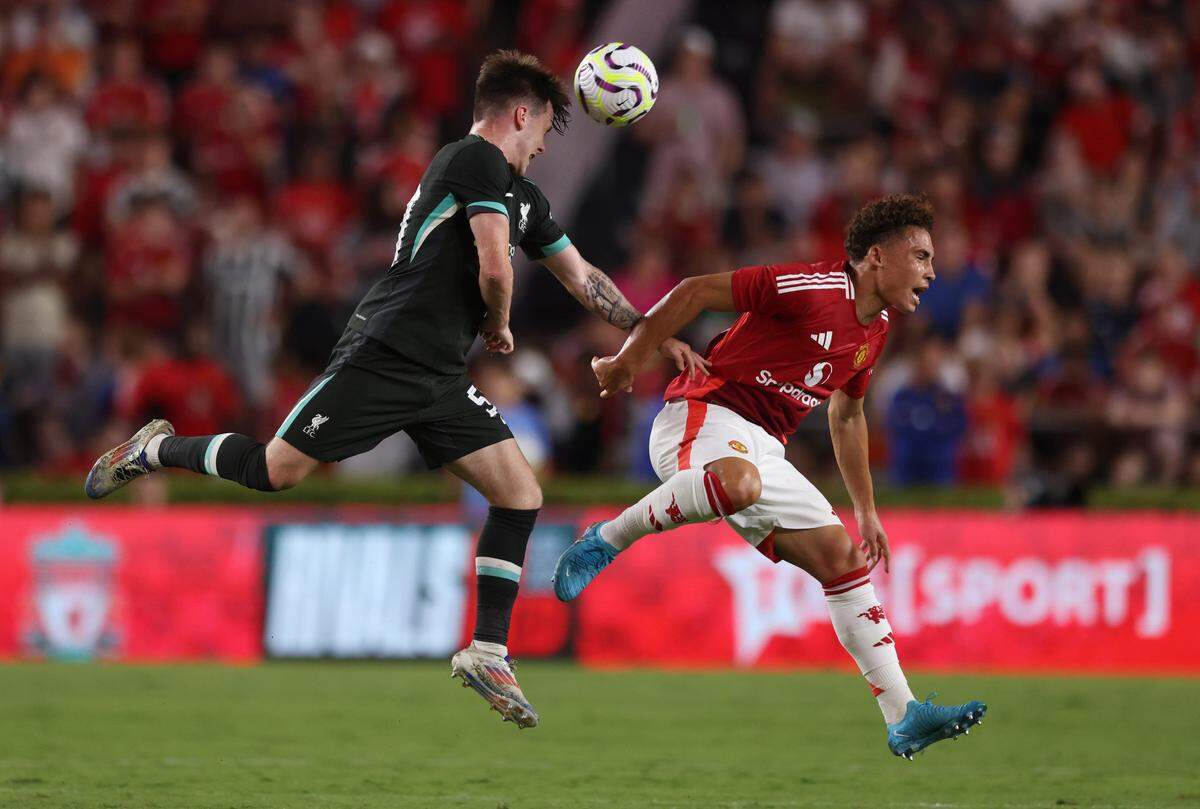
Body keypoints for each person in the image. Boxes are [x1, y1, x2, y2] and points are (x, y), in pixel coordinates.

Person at [84, 50, 705, 730]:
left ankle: (488, 650)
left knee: (520, 492)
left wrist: (650, 335)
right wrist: (497, 325)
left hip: (437, 373)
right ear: (520, 114)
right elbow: (495, 267)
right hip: (386, 351)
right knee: (275, 469)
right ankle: (158, 446)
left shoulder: (523, 195)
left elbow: (583, 277)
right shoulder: (473, 161)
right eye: (545, 129)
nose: (542, 145)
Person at [553, 194, 986, 759]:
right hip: (702, 415)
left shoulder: (874, 328)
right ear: (877, 257)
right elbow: (694, 291)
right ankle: (607, 538)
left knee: (844, 559)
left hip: (764, 450)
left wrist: (867, 511)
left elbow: (848, 413)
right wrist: (631, 357)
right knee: (740, 483)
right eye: (922, 256)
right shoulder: (812, 288)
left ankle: (902, 713)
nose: (932, 271)